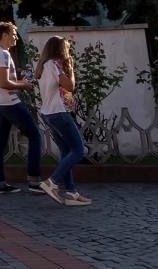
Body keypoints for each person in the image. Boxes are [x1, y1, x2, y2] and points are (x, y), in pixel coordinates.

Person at [0, 21, 44, 195]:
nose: (15, 38)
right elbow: (4, 82)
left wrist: (19, 82)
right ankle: (34, 180)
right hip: (10, 103)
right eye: (13, 34)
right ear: (4, 35)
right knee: (35, 135)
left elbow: (2, 81)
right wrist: (23, 85)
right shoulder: (3, 55)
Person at [36, 36, 92, 206]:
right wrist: (72, 69)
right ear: (60, 50)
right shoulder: (53, 65)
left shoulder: (43, 66)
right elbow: (70, 86)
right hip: (58, 113)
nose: (68, 52)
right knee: (79, 150)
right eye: (66, 48)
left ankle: (71, 193)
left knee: (66, 151)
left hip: (48, 113)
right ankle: (51, 182)